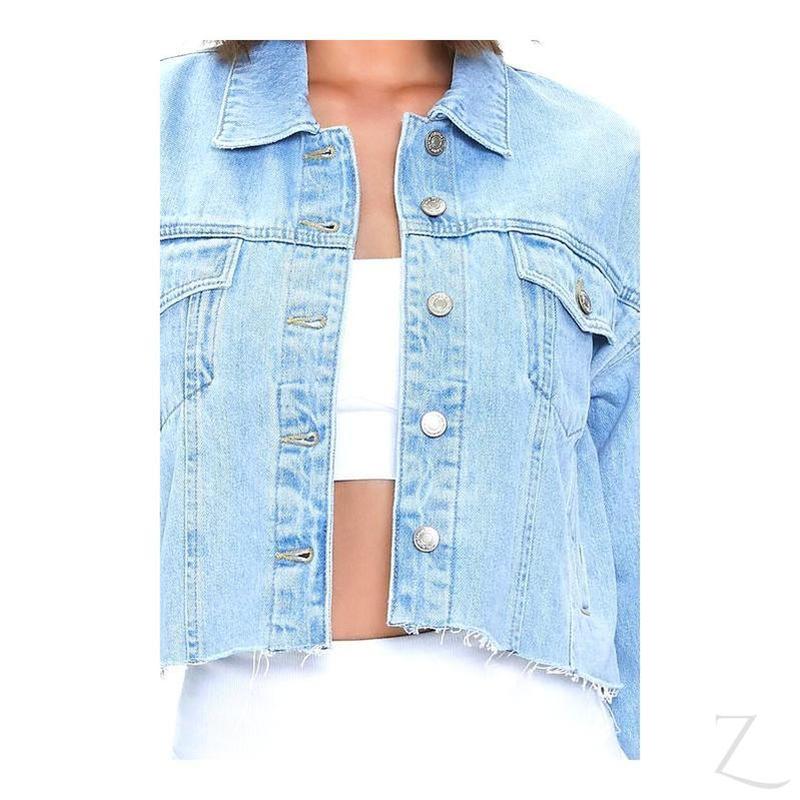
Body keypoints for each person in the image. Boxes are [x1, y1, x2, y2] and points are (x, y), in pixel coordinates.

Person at [160, 39, 640, 761]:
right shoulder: (159, 132)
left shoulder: (591, 154)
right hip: (242, 743)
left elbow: (640, 513)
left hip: (537, 745)